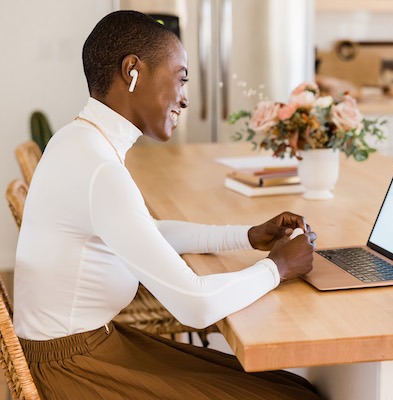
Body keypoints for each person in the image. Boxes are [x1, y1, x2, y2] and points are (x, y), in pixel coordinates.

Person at [14, 10, 320, 400]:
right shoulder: (98, 168)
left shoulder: (78, 141)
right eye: (181, 78)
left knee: (288, 384)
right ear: (132, 71)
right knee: (294, 395)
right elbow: (195, 306)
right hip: (73, 369)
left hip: (84, 346)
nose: (185, 98)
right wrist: (278, 267)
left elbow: (147, 231)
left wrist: (246, 236)